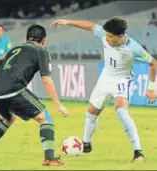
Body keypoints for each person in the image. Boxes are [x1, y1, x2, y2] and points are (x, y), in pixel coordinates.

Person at [51, 17, 157, 162]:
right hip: (105, 79)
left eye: (110, 37)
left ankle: (138, 152)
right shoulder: (104, 33)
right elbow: (90, 26)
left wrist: (151, 88)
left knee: (121, 112)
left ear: (120, 37)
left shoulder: (134, 48)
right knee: (91, 113)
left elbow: (153, 64)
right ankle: (86, 144)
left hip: (123, 80)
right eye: (106, 35)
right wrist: (68, 22)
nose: (106, 38)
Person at [0, 24, 69, 166]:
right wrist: (58, 104)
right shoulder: (41, 51)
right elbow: (46, 79)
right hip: (13, 89)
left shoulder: (14, 49)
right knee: (45, 118)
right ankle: (50, 159)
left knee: (8, 118)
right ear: (44, 40)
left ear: (26, 38)